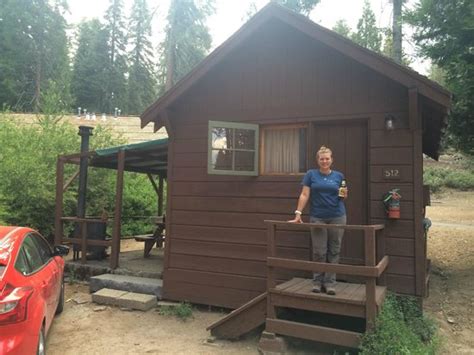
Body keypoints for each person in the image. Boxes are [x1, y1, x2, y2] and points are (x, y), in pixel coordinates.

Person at [289, 146, 347, 295]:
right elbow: (304, 194)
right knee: (319, 251)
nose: (324, 161)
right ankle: (317, 282)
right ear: (318, 160)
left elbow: (342, 195)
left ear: (331, 160)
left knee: (334, 250)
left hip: (337, 216)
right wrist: (298, 213)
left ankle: (330, 284)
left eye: (327, 158)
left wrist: (344, 195)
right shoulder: (311, 174)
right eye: (322, 159)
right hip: (318, 217)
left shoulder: (339, 176)